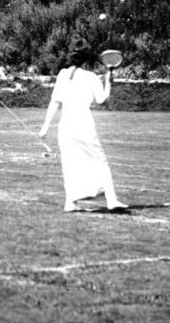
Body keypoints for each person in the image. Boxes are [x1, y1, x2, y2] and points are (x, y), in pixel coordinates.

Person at [38, 38, 128, 213]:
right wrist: (108, 82)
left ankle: (70, 202)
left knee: (70, 163)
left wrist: (45, 127)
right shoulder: (91, 77)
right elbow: (102, 100)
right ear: (87, 58)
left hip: (65, 127)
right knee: (100, 161)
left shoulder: (63, 74)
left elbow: (54, 103)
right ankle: (111, 199)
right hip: (84, 124)